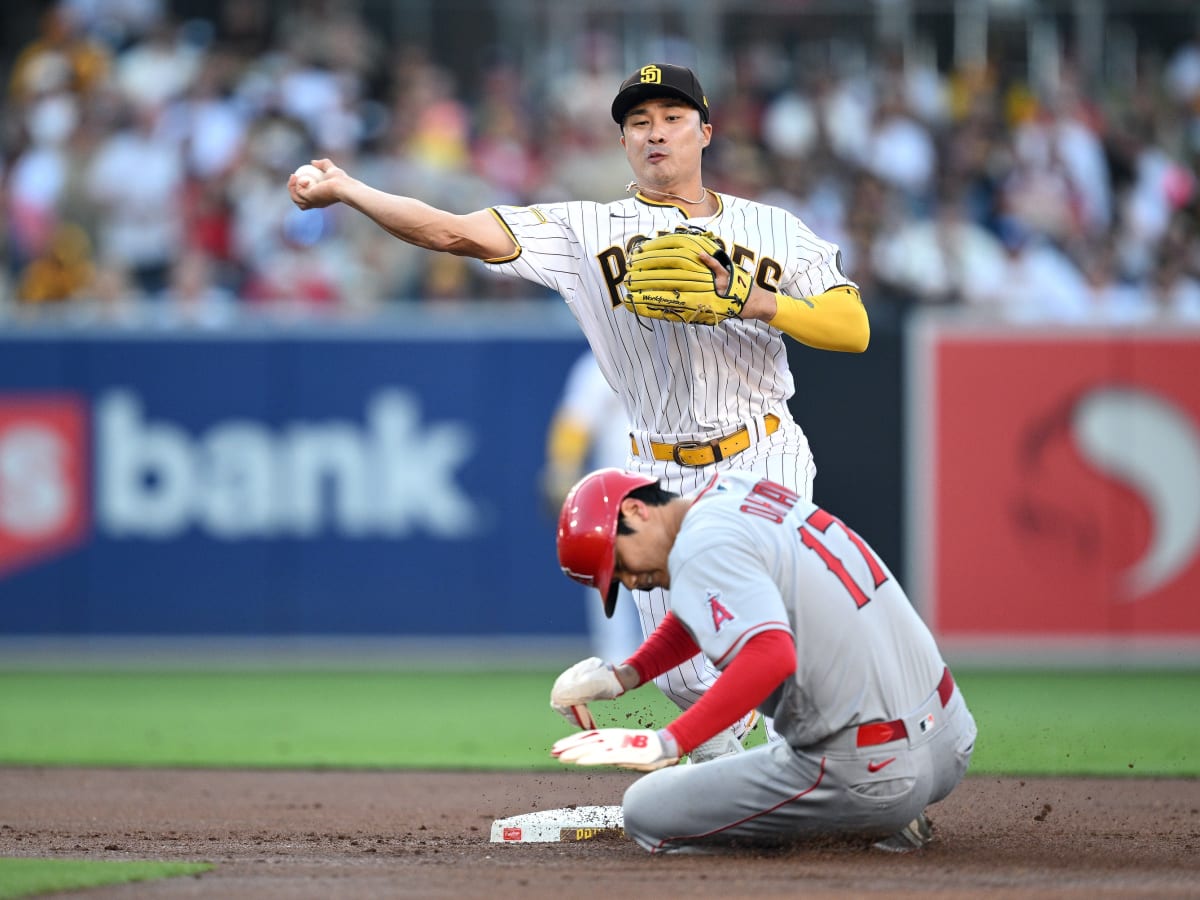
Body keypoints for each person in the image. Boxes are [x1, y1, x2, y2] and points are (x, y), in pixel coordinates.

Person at [289, 62, 869, 760]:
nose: (656, 134)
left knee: (776, 645)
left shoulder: (772, 229)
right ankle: (736, 791)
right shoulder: (585, 230)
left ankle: (856, 782)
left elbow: (853, 326)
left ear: (706, 131)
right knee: (686, 672)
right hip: (656, 470)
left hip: (761, 452)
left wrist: (751, 299)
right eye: (638, 122)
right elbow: (451, 233)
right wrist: (350, 189)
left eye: (673, 118)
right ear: (624, 142)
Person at [549, 468, 976, 854]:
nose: (631, 583)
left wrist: (668, 743)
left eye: (619, 565)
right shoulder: (734, 495)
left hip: (874, 776)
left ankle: (856, 829)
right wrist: (624, 676)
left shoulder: (698, 550)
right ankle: (878, 817)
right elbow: (712, 607)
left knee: (645, 809)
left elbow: (770, 654)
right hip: (949, 739)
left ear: (636, 509)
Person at [541, 348, 643, 662]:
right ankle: (615, 663)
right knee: (609, 577)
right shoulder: (600, 362)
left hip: (672, 485)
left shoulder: (680, 352)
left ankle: (680, 663)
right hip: (614, 490)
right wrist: (561, 471)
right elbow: (574, 424)